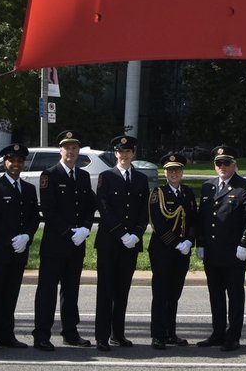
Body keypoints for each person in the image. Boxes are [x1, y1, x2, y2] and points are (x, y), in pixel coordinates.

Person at [33, 129, 96, 351]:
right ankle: (41, 334)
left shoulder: (83, 176)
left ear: (79, 151)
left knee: (71, 290)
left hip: (77, 244)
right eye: (67, 147)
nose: (71, 151)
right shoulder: (49, 175)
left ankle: (70, 332)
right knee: (47, 291)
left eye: (74, 147)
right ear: (61, 150)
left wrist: (86, 229)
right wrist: (70, 232)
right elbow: (48, 210)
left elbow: (90, 206)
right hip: (55, 244)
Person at [197, 144, 246, 351]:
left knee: (234, 295)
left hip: (234, 253)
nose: (222, 166)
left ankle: (233, 336)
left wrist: (245, 244)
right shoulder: (208, 186)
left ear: (235, 165)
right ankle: (217, 333)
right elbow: (202, 219)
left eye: (226, 163)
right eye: (218, 163)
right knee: (215, 294)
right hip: (213, 252)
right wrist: (201, 243)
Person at [0, 143, 40, 352]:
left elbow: (34, 217)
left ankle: (6, 335)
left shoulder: (29, 188)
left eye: (20, 161)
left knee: (11, 295)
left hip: (20, 250)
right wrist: (11, 239)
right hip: (0, 250)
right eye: (12, 160)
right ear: (5, 162)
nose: (16, 164)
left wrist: (27, 236)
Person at [94, 134, 150, 351]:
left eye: (127, 151)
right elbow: (104, 207)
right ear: (115, 154)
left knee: (122, 290)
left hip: (131, 244)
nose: (123, 155)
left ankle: (118, 334)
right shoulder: (105, 177)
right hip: (110, 242)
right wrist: (121, 234)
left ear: (133, 154)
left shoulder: (141, 179)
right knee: (106, 290)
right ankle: (102, 336)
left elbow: (144, 210)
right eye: (120, 151)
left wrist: (136, 234)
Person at [148, 152, 198, 349]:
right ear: (165, 173)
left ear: (182, 172)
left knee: (174, 293)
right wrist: (176, 243)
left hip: (182, 251)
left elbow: (194, 219)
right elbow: (157, 223)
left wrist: (189, 241)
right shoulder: (157, 193)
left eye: (177, 170)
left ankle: (171, 332)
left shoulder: (187, 193)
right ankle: (158, 335)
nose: (174, 173)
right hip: (163, 250)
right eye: (170, 170)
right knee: (160, 293)